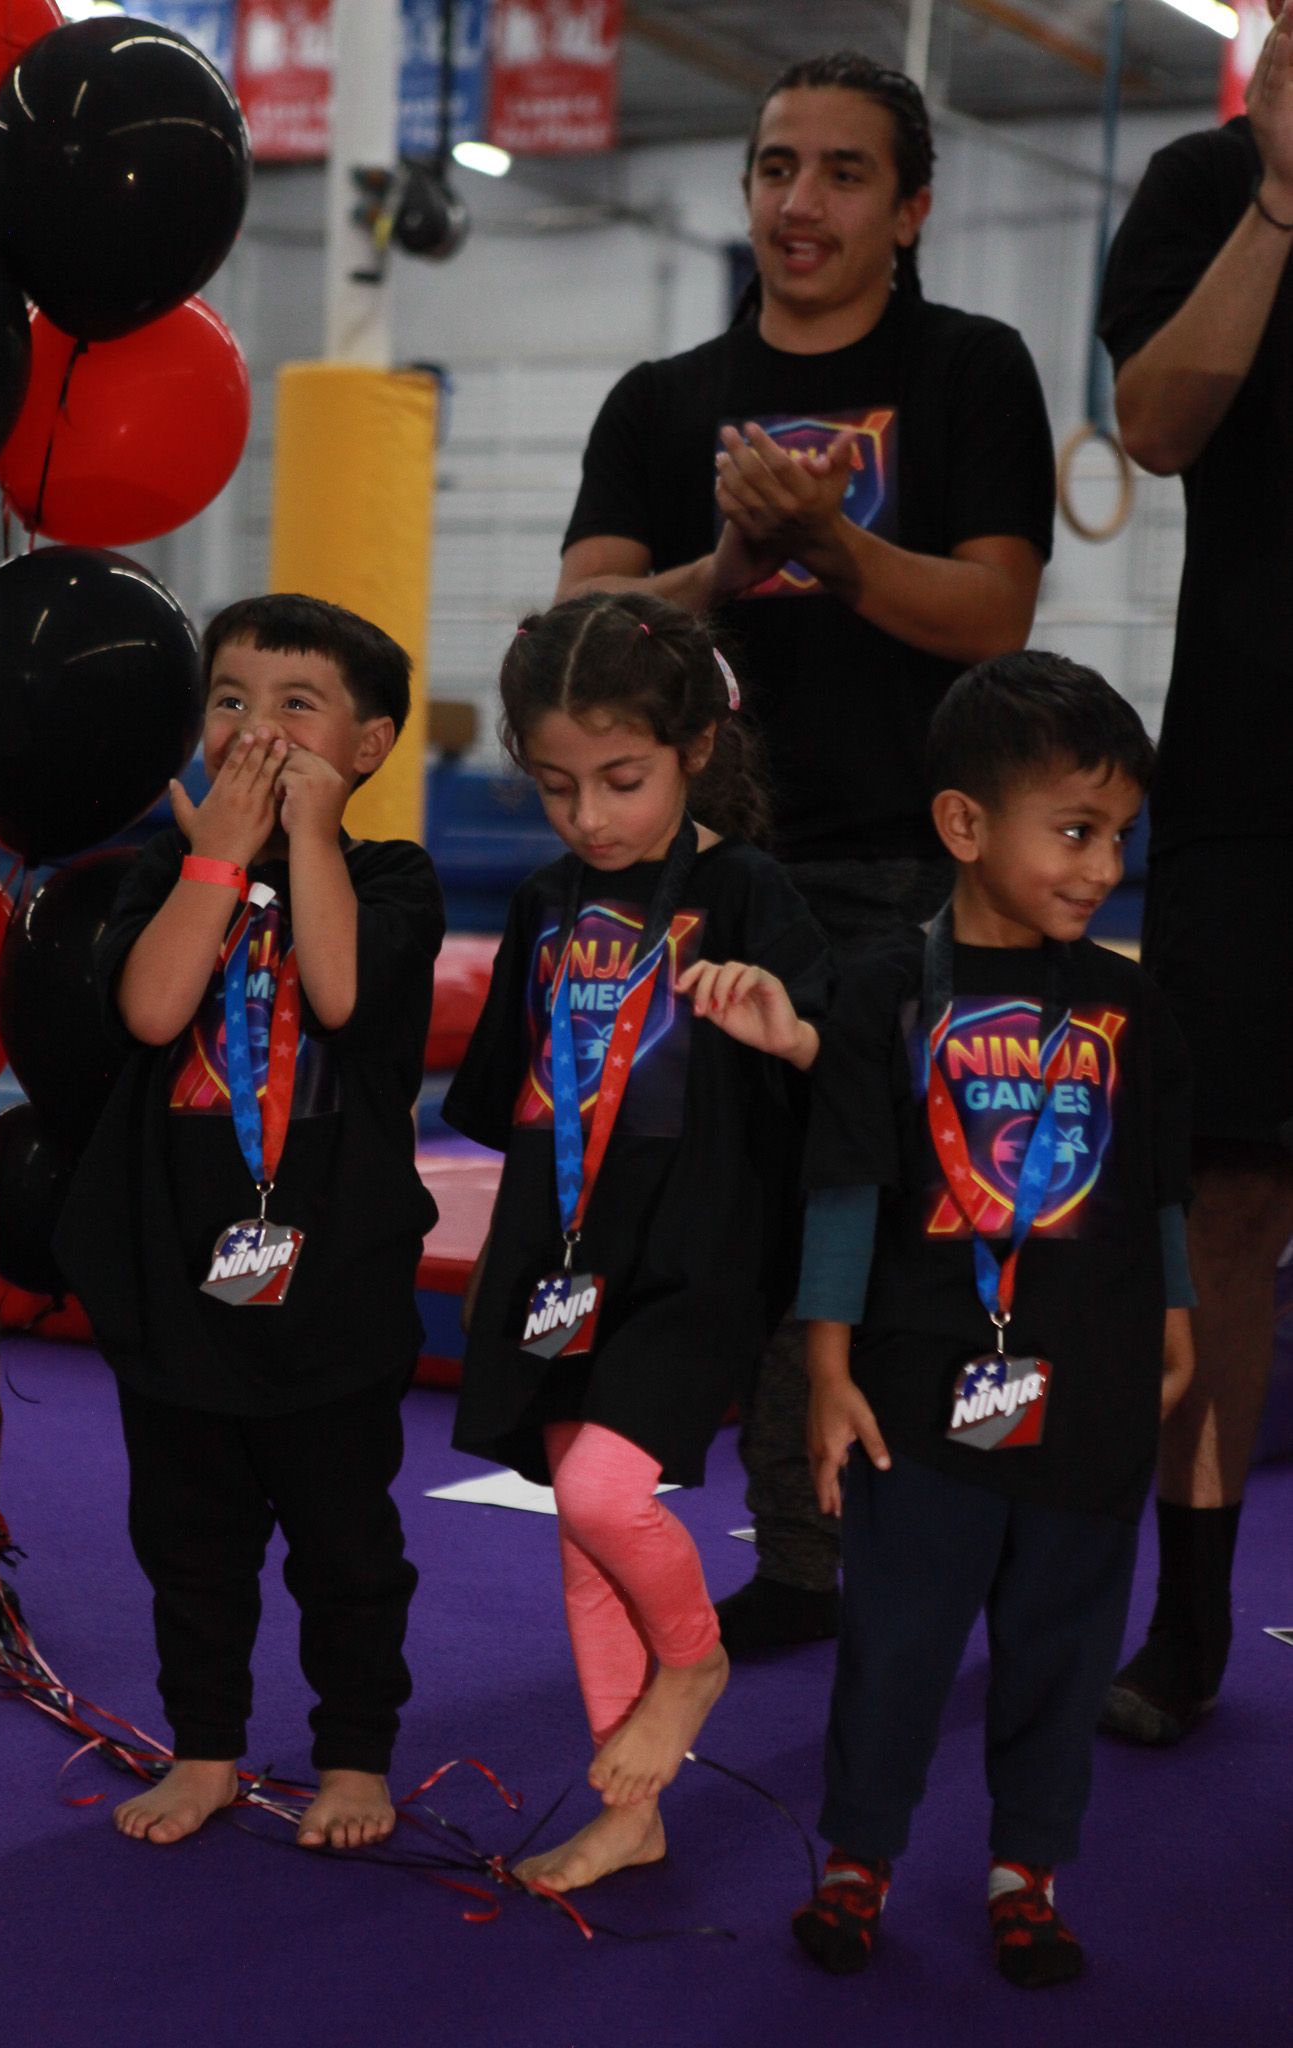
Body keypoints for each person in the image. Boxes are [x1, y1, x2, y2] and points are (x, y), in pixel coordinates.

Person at [558, 50, 1057, 1653]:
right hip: (720, 878)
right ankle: (794, 1550)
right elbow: (579, 626)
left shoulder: (972, 370)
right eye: (778, 166)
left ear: (910, 208)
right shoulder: (661, 401)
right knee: (734, 1219)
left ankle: (932, 1540)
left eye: (844, 173)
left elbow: (992, 611)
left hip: (923, 874)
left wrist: (831, 547)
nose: (801, 200)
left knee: (911, 1223)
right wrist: (728, 560)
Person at [745, 653, 1193, 1986]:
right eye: (1071, 830)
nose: (1100, 864)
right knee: (894, 1643)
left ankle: (1025, 1871)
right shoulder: (886, 992)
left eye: (1116, 835)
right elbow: (842, 1195)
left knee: (1063, 1647)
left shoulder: (1133, 1004)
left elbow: (1156, 1184)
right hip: (922, 1391)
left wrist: (1172, 1318)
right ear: (963, 826)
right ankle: (856, 1858)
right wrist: (827, 1367)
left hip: (1095, 1384)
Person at [443, 591, 832, 1893]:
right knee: (582, 1527)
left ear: (696, 750)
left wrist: (781, 1028)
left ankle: (694, 1663)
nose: (589, 815)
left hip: (697, 1250)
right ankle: (633, 1805)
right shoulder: (551, 897)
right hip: (565, 1252)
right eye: (557, 786)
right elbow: (503, 1091)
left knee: (612, 1495)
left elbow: (830, 1058)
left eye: (622, 779)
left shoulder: (746, 889)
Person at [55, 593, 444, 1850]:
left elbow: (333, 988)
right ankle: (207, 1747)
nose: (256, 729)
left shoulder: (394, 875)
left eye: (295, 705)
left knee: (347, 1548)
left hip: (335, 1284)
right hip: (180, 1279)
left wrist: (308, 835)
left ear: (371, 742)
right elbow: (160, 1009)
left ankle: (353, 1757)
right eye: (230, 700)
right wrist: (217, 860)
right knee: (190, 1543)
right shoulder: (170, 872)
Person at [1095, 1, 1293, 1744]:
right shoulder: (1205, 184)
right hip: (1255, 779)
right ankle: (1196, 1611)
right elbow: (1153, 426)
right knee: (1228, 1209)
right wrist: (1284, 205)